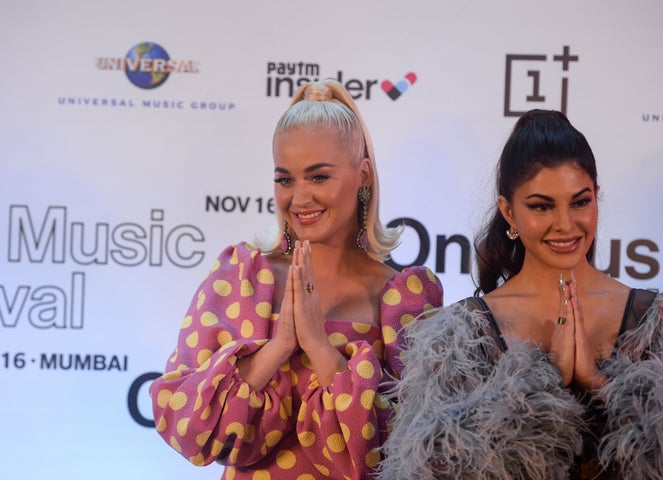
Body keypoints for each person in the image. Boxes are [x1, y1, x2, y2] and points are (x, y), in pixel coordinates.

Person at [379, 109, 663, 479]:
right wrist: (543, 382)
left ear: (596, 197)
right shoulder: (460, 337)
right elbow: (427, 468)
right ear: (509, 211)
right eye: (542, 206)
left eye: (580, 202)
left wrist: (601, 386)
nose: (565, 224)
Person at [149, 79, 443, 479]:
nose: (299, 198)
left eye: (318, 177)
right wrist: (280, 345)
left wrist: (320, 347)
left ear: (363, 176)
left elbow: (411, 449)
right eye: (285, 179)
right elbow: (190, 425)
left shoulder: (403, 297)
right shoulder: (242, 278)